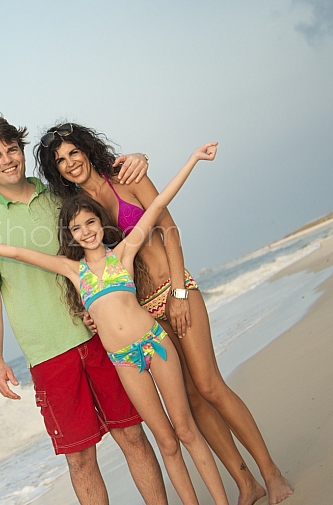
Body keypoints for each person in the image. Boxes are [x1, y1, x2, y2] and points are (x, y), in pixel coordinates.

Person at [0, 142, 228, 505]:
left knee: (185, 430)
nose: (87, 231)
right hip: (123, 360)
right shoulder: (73, 270)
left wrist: (192, 159)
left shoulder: (123, 252)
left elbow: (158, 205)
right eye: (77, 228)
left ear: (101, 223)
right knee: (166, 441)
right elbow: (16, 252)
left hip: (156, 343)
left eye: (91, 222)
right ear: (70, 235)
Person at [34, 123, 294, 505]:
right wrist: (96, 311)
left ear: (87, 149)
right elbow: (92, 270)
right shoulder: (79, 209)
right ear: (56, 170)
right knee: (190, 399)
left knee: (209, 385)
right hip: (143, 312)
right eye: (61, 160)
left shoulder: (126, 175)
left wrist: (179, 291)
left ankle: (271, 474)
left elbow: (168, 228)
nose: (71, 162)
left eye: (74, 152)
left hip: (173, 288)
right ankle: (246, 483)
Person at [0, 115, 166, 505]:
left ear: (22, 151)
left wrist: (137, 158)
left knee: (132, 434)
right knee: (80, 458)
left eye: (12, 150)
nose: (7, 160)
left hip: (101, 335)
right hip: (48, 353)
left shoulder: (60, 194)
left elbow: (100, 184)